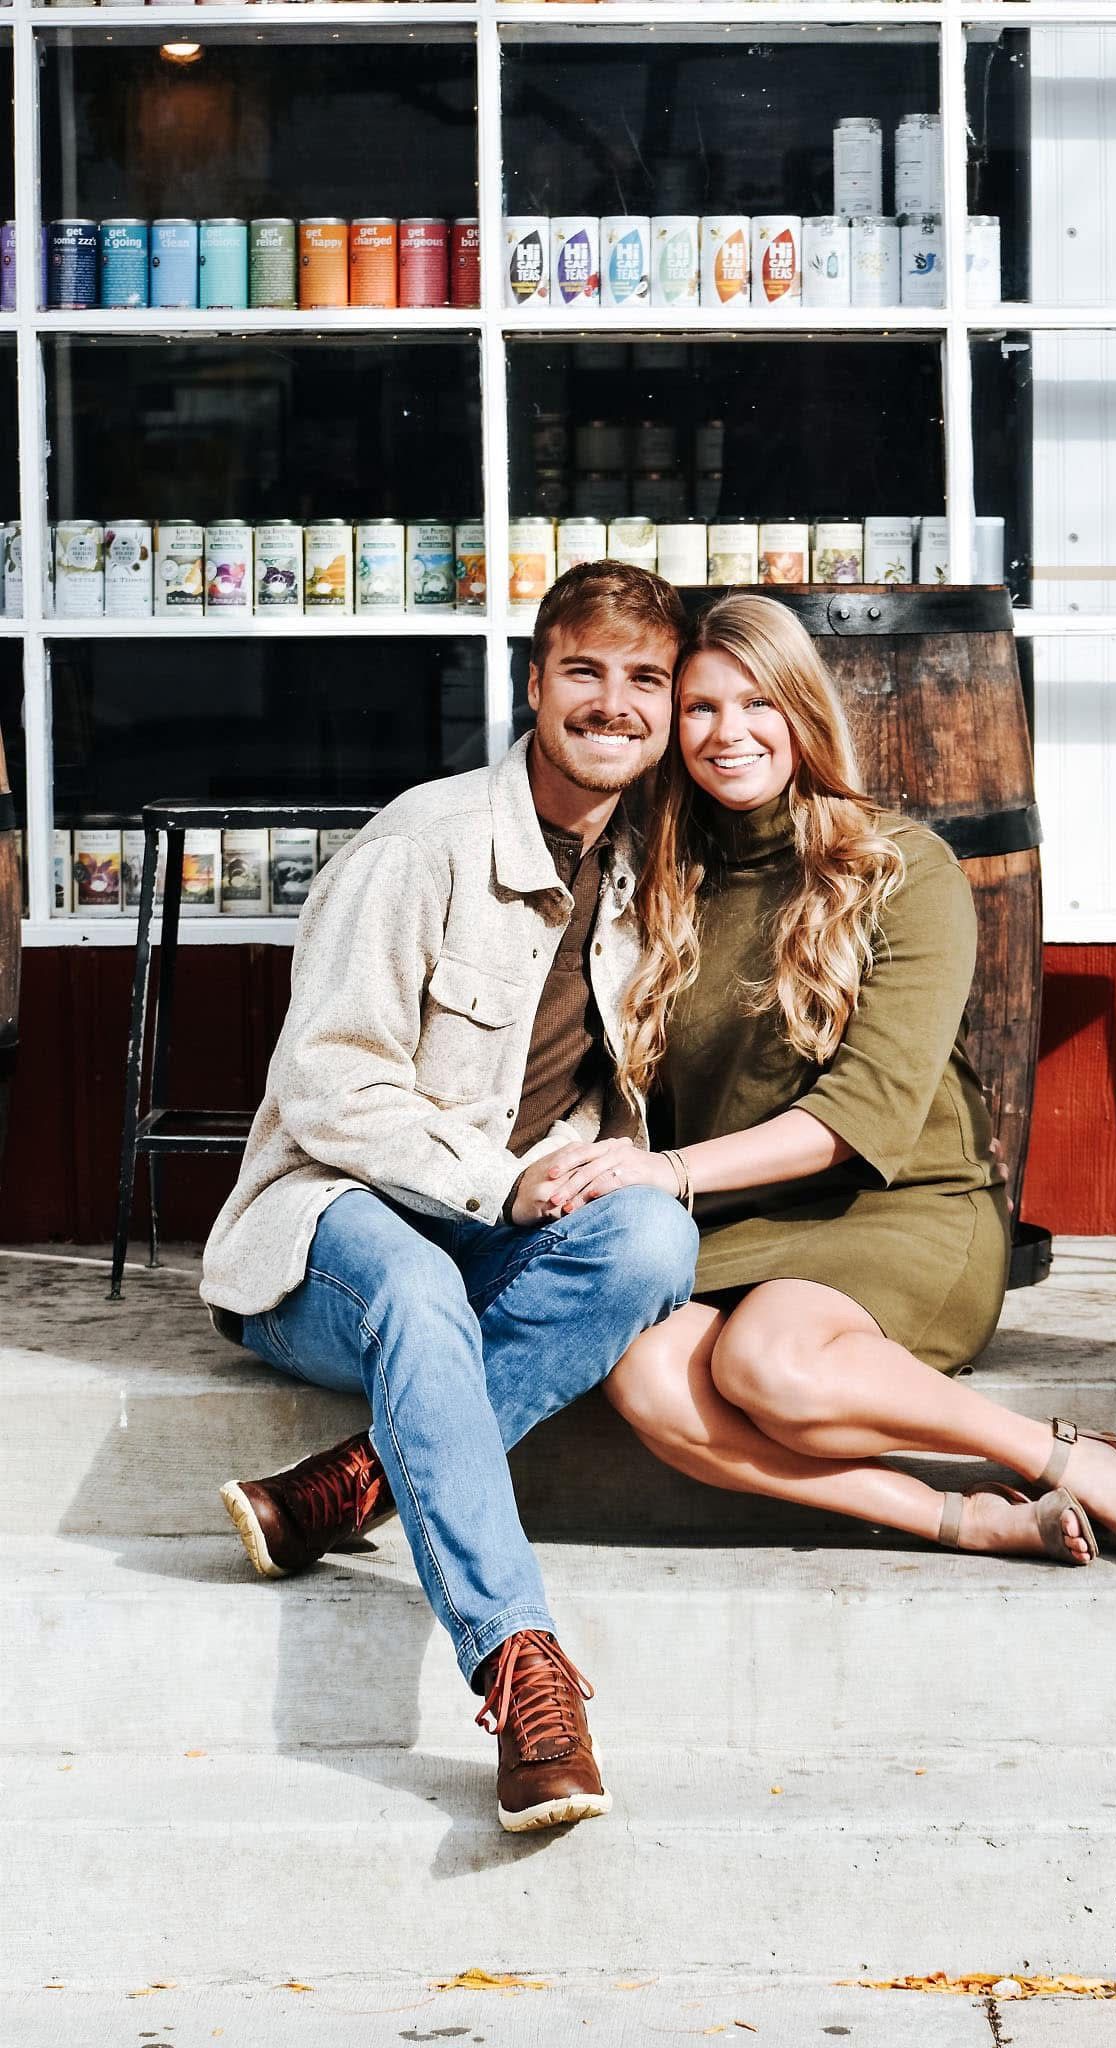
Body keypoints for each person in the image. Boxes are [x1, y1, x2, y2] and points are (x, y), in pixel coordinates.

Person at [534, 594, 1116, 1569]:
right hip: (739, 1217)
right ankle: (964, 1517)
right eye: (703, 708)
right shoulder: (657, 883)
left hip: (901, 1205)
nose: (729, 733)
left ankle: (1065, 1456)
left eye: (757, 703)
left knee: (768, 1360)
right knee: (647, 1376)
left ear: (802, 709)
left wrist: (666, 1172)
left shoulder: (901, 868)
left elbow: (863, 1115)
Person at [202, 561, 700, 1834]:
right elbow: (324, 1084)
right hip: (332, 1230)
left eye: (645, 678)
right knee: (417, 1286)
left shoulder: (642, 871)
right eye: (584, 670)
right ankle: (522, 1667)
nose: (614, 702)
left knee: (653, 1232)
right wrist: (505, 1179)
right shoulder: (421, 845)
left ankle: (354, 1482)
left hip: (491, 1241)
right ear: (534, 683)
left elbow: (597, 1078)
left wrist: (589, 1158)